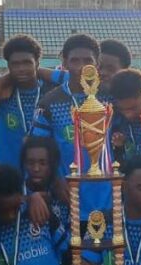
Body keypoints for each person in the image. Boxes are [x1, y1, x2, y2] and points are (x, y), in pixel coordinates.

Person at [31, 33, 111, 221]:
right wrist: (55, 180)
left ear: (97, 63)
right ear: (65, 63)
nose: (81, 66)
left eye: (88, 60)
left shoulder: (110, 96)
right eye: (75, 60)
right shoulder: (49, 102)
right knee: (72, 249)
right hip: (68, 193)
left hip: (107, 193)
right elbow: (38, 149)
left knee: (105, 247)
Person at [0, 34, 49, 167]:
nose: (21, 69)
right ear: (9, 66)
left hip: (42, 174)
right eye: (15, 64)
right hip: (8, 173)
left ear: (37, 64)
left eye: (27, 63)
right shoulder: (1, 92)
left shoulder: (51, 93)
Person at [21, 135, 71, 230]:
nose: (36, 169)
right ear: (24, 163)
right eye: (31, 163)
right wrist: (30, 199)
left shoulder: (62, 194)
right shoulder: (17, 191)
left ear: (52, 164)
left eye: (43, 163)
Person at [108, 68, 141, 164]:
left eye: (132, 108)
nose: (128, 115)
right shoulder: (115, 120)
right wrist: (119, 146)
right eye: (122, 110)